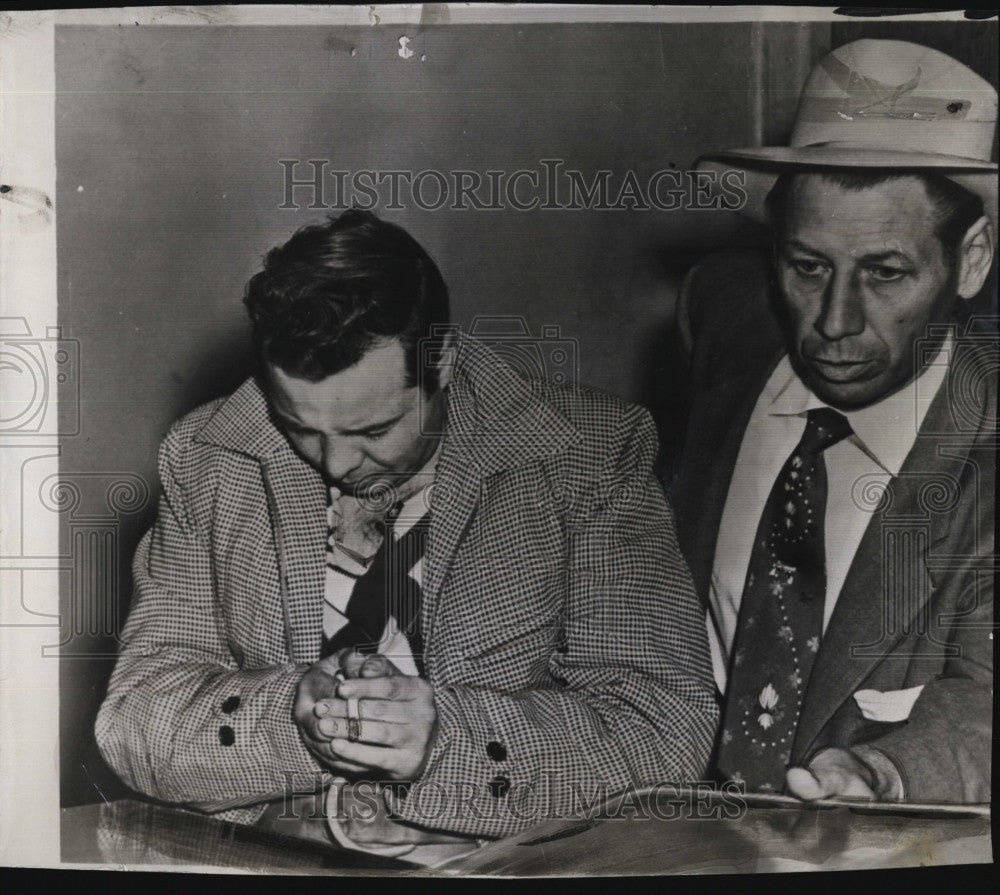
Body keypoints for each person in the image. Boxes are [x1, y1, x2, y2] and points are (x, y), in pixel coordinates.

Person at [96, 208, 718, 847]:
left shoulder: (587, 452)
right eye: (301, 427)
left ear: (442, 361)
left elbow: (666, 726)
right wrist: (292, 716)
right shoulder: (210, 454)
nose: (336, 465)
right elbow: (136, 719)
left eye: (372, 431)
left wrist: (443, 742)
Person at [674, 39, 996, 803]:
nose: (834, 323)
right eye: (808, 266)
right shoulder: (723, 319)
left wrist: (881, 772)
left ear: (973, 260)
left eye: (886, 273)